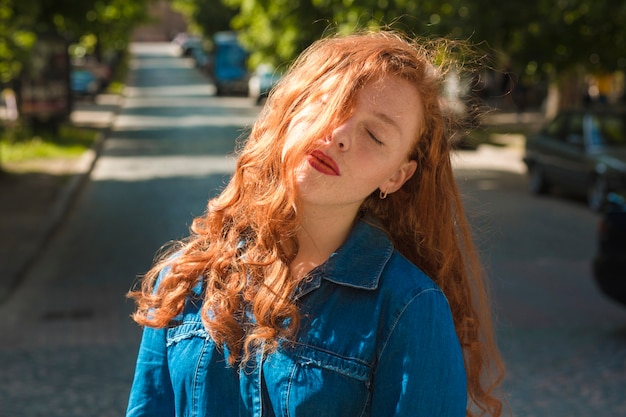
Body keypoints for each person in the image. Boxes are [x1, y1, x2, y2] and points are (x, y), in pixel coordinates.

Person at [126, 30, 505, 417]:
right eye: (330, 106)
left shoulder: (410, 310)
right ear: (292, 111)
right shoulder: (186, 277)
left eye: (374, 135)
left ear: (396, 177)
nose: (339, 136)